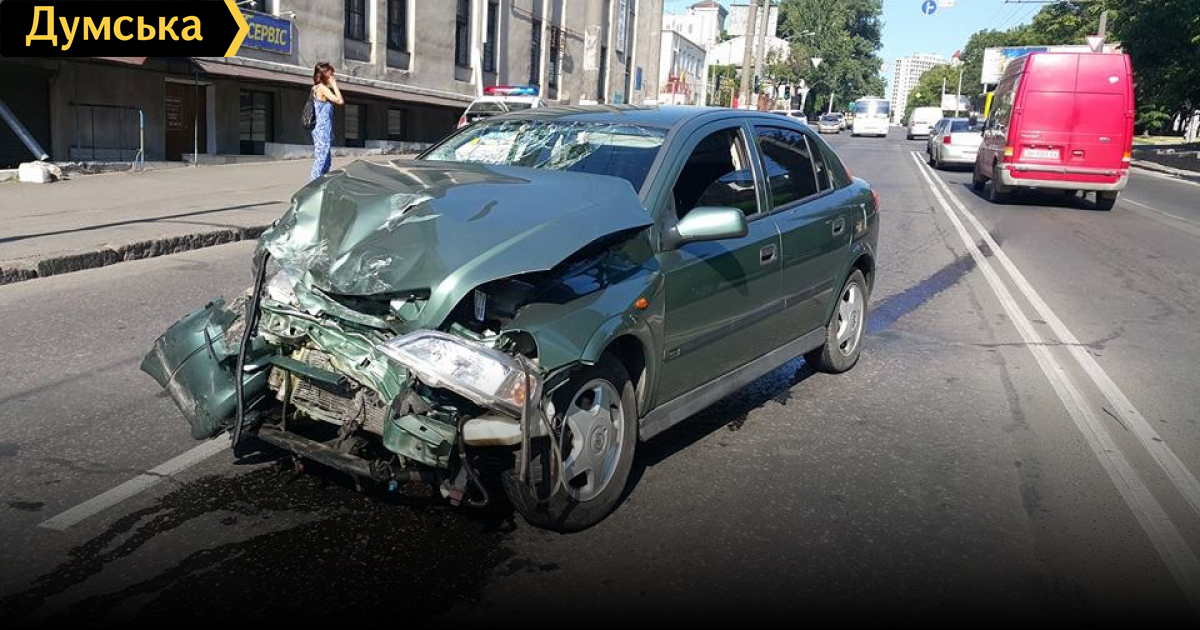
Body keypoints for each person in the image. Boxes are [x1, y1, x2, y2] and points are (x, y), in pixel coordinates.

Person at [310, 62, 344, 181]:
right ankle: (313, 185)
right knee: (321, 160)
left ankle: (320, 184)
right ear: (324, 74)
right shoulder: (321, 88)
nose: (333, 76)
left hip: (322, 129)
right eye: (331, 74)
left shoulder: (316, 87)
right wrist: (334, 85)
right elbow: (339, 100)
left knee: (326, 161)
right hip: (322, 129)